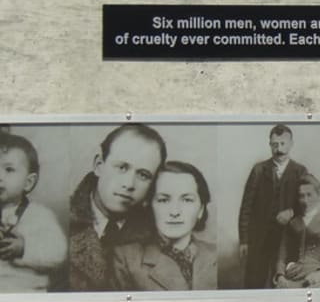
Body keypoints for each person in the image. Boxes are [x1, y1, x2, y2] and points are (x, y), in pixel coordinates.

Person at [69, 124, 165, 290]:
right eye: (122, 168)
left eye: (143, 175)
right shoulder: (61, 221)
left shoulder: (162, 235)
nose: (129, 184)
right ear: (99, 165)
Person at [111, 161, 216, 291]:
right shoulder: (126, 259)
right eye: (163, 200)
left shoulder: (215, 255)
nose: (175, 212)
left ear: (201, 210)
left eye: (187, 200)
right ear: (150, 207)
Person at [239, 124, 306, 288]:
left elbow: (308, 205)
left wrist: (292, 211)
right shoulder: (259, 170)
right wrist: (244, 240)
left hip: (288, 238)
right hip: (259, 238)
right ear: (270, 144)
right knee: (254, 283)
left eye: (283, 144)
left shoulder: (300, 171)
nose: (279, 149)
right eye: (275, 144)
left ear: (291, 144)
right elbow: (246, 207)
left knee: (284, 283)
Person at [0, 132, 67, 291]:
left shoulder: (40, 216)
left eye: (9, 169)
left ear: (28, 182)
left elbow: (57, 252)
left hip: (27, 296)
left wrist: (25, 248)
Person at [273, 174, 320, 288]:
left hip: (317, 276)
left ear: (318, 196)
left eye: (309, 195)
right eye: (301, 196)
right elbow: (281, 258)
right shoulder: (291, 224)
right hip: (292, 275)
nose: (305, 200)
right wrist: (280, 276)